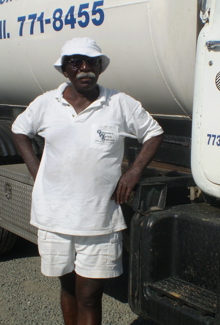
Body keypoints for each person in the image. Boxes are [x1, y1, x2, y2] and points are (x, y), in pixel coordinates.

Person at [11, 37, 164, 325]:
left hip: (99, 221)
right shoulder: (46, 103)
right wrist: (36, 169)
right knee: (68, 289)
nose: (85, 69)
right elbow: (19, 130)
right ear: (65, 70)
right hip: (54, 218)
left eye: (92, 62)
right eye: (76, 62)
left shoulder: (119, 103)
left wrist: (133, 172)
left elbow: (153, 133)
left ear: (100, 67)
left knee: (90, 296)